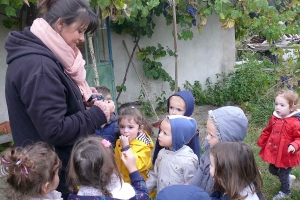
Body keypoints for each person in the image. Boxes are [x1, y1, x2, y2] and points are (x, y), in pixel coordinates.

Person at [4, 0, 115, 198]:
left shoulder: (44, 54)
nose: (81, 38)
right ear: (61, 24)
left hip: (45, 168)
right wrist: (99, 113)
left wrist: (81, 101)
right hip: (51, 174)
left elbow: (52, 104)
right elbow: (55, 130)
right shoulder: (39, 66)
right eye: (79, 31)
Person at [67, 136, 149, 200]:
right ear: (111, 168)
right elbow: (143, 196)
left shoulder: (75, 197)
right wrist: (133, 169)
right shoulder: (125, 192)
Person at [188, 106, 248, 193]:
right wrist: (191, 187)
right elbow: (201, 169)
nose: (207, 138)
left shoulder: (229, 166)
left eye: (211, 135)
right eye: (207, 133)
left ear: (226, 140)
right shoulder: (209, 151)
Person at [257, 89, 300, 200]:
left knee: (283, 173)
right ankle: (287, 177)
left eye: (282, 105)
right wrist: (262, 140)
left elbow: (299, 137)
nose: (277, 107)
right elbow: (268, 130)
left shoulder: (295, 122)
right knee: (272, 170)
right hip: (275, 152)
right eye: (276, 104)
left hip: (286, 155)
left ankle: (285, 192)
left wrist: (295, 145)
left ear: (291, 107)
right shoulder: (275, 117)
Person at [146, 115, 199, 194]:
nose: (159, 135)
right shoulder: (161, 153)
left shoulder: (188, 160)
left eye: (165, 133)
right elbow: (155, 175)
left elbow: (191, 186)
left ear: (177, 137)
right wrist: (143, 191)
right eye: (160, 131)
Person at [152, 90, 200, 164]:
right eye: (171, 107)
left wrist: (196, 166)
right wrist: (155, 161)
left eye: (179, 110)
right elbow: (159, 145)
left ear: (187, 111)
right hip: (165, 161)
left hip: (182, 165)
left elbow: (195, 150)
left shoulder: (190, 130)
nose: (173, 112)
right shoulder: (165, 124)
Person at [114, 106, 154, 184]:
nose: (125, 131)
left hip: (137, 184)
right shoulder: (119, 142)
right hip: (122, 181)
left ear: (140, 129)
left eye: (130, 127)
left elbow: (138, 165)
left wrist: (126, 148)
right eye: (122, 127)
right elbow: (116, 159)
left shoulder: (143, 146)